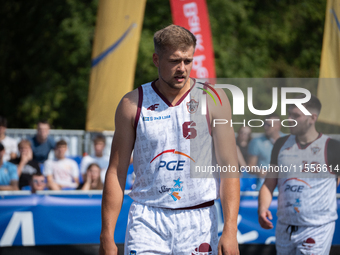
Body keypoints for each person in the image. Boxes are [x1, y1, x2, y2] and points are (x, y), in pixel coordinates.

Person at [99, 25, 240, 255]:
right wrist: (106, 234)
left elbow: (229, 168)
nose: (182, 68)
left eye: (188, 60)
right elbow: (116, 171)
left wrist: (230, 229)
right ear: (156, 59)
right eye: (175, 60)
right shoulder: (131, 103)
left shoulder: (214, 99)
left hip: (199, 219)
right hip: (147, 218)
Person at [258, 95, 340, 255]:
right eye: (289, 114)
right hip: (284, 226)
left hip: (317, 228)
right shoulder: (280, 144)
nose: (290, 119)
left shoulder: (332, 147)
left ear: (312, 118)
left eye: (296, 116)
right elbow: (269, 184)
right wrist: (262, 208)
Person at [247, 114, 284, 190]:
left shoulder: (288, 140)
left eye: (268, 125)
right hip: (264, 183)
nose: (265, 127)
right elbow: (250, 167)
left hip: (284, 183)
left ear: (278, 126)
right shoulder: (256, 142)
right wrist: (261, 171)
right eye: (264, 124)